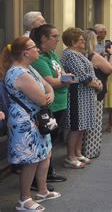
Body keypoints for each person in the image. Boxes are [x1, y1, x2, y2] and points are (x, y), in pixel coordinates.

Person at [1, 37, 61, 211]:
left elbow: (48, 86)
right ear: (25, 52)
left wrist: (49, 93)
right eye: (34, 47)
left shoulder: (29, 69)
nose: (38, 50)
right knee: (31, 160)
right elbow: (42, 99)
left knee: (45, 154)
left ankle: (42, 191)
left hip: (36, 119)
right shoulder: (19, 73)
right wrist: (48, 96)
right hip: (26, 122)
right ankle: (24, 199)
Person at [30, 24, 71, 183]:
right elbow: (51, 81)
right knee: (46, 142)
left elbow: (62, 75)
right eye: (54, 36)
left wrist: (65, 79)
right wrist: (67, 79)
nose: (58, 39)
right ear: (43, 39)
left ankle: (48, 172)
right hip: (50, 106)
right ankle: (39, 178)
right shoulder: (39, 58)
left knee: (51, 142)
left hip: (60, 102)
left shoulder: (52, 54)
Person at [61, 28, 103, 168]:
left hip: (86, 95)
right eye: (81, 40)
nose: (84, 41)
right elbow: (82, 76)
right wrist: (96, 85)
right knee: (76, 126)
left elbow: (90, 73)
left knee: (82, 126)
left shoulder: (79, 54)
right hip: (76, 95)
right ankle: (70, 156)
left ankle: (78, 152)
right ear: (72, 42)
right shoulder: (70, 55)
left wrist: (97, 82)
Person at [83, 29, 112, 158]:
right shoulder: (93, 56)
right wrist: (111, 54)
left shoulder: (82, 56)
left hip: (85, 92)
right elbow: (110, 68)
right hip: (96, 91)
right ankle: (91, 151)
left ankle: (81, 151)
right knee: (94, 124)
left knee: (84, 125)